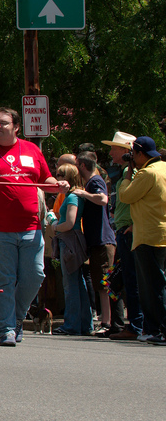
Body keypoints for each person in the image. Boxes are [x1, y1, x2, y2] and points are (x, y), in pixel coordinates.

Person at [0, 107, 66, 347]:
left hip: (30, 227)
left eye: (4, 123)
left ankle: (17, 317)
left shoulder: (32, 150)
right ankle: (6, 328)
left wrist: (57, 184)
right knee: (3, 279)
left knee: (35, 274)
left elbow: (45, 180)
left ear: (16, 127)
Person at [116, 136, 166, 346]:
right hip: (159, 232)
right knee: (156, 283)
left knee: (153, 286)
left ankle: (161, 330)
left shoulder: (147, 173)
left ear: (139, 153)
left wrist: (128, 174)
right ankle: (154, 329)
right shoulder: (163, 167)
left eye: (133, 155)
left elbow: (125, 196)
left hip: (149, 235)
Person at [101, 132, 144, 340]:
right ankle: (136, 324)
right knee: (128, 279)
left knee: (132, 280)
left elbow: (142, 198)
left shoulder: (132, 173)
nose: (110, 152)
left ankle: (136, 325)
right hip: (124, 229)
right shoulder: (126, 172)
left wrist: (135, 224)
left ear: (126, 151)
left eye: (114, 148)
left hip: (129, 230)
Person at [74, 151, 118, 335]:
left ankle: (108, 322)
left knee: (105, 283)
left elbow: (103, 199)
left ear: (83, 166)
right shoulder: (91, 182)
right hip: (96, 240)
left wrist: (84, 194)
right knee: (101, 284)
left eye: (77, 166)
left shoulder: (95, 181)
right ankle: (108, 321)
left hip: (103, 240)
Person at [50, 163, 93, 336]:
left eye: (60, 175)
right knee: (78, 283)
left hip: (70, 240)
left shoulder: (72, 197)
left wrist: (54, 226)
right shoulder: (72, 195)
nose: (57, 178)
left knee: (70, 285)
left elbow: (69, 223)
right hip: (72, 240)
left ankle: (72, 325)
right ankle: (84, 324)